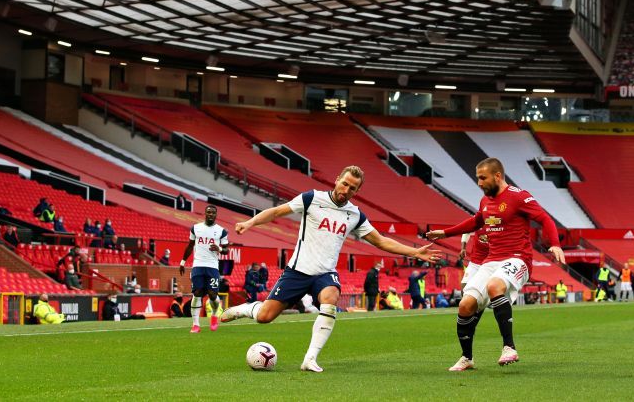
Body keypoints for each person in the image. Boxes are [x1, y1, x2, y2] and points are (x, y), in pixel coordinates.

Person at [220, 165, 440, 373]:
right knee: (265, 317)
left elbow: (381, 241)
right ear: (337, 180)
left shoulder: (355, 215)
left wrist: (414, 252)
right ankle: (245, 309)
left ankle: (310, 359)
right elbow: (277, 212)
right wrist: (250, 223)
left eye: (352, 188)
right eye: (344, 184)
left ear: (357, 190)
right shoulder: (312, 198)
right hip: (297, 270)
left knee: (331, 296)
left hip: (325, 273)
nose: (346, 190)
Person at [426, 157, 565, 371]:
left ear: (497, 176)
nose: (479, 183)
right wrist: (445, 232)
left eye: (483, 178)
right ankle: (467, 357)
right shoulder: (485, 201)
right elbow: (476, 221)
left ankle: (509, 347)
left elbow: (545, 219)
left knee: (494, 286)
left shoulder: (519, 197)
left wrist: (555, 244)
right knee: (465, 305)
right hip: (491, 261)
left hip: (518, 258)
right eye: (477, 178)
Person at [179, 205, 228, 333]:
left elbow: (226, 249)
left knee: (212, 295)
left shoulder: (221, 231)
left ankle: (214, 315)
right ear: (205, 214)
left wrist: (220, 249)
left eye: (213, 213)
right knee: (197, 293)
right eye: (208, 212)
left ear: (216, 215)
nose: (210, 214)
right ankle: (195, 325)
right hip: (198, 265)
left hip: (212, 266)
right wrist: (183, 262)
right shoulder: (196, 228)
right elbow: (190, 245)